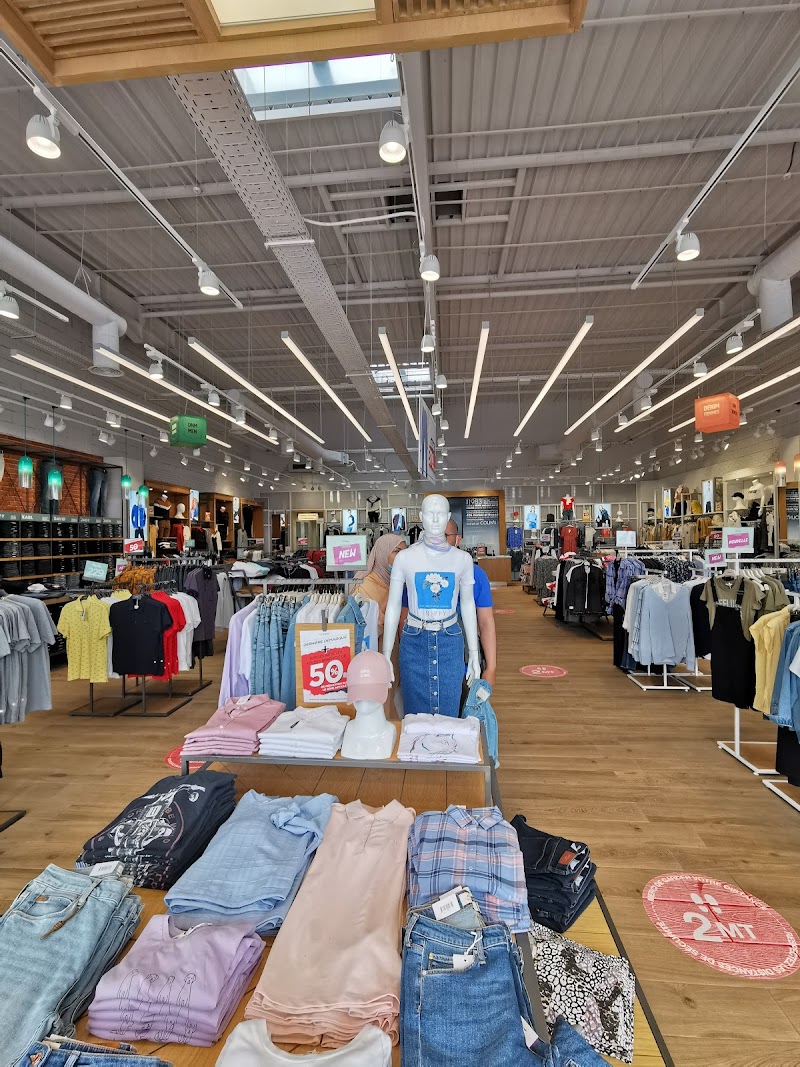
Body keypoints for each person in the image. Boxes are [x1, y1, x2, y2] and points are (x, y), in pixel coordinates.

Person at [445, 519, 497, 687]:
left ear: (457, 539)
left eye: (445, 535)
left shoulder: (476, 574)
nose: (438, 541)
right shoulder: (417, 572)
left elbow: (485, 622)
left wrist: (491, 667)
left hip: (466, 657)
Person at [350, 532, 406, 636]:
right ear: (382, 554)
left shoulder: (396, 582)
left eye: (404, 552)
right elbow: (367, 627)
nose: (403, 556)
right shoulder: (364, 587)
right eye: (397, 551)